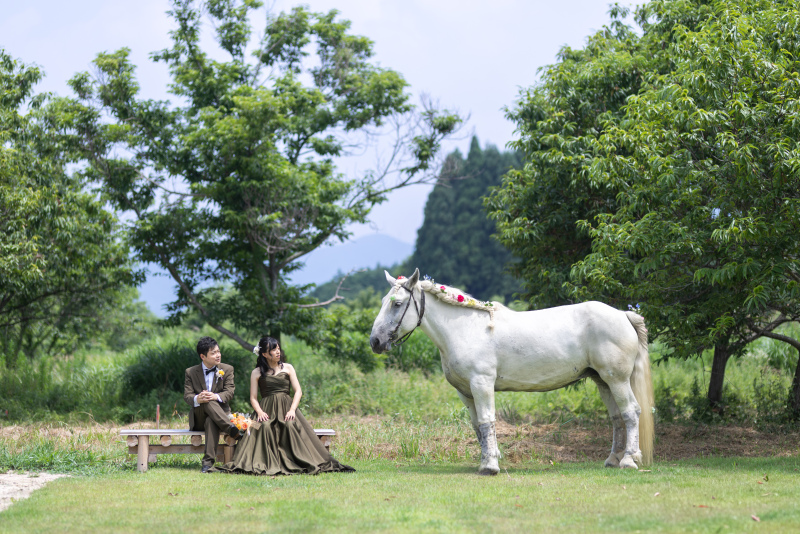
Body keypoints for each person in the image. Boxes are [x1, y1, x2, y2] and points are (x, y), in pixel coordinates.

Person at [215, 336, 354, 475]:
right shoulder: (256, 372)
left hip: (287, 408)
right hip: (265, 409)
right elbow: (253, 398)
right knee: (262, 426)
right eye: (273, 349)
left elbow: (298, 391)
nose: (278, 352)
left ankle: (296, 461)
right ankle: (265, 461)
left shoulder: (288, 367)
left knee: (290, 425)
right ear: (264, 354)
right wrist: (260, 412)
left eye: (278, 348)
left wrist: (292, 410)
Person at [184, 336, 240, 473]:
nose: (218, 355)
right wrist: (198, 398)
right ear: (203, 356)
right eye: (213, 353)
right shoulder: (190, 372)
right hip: (199, 417)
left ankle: (207, 464)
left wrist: (215, 396)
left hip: (219, 415)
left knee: (211, 420)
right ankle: (230, 428)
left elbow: (229, 392)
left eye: (218, 351)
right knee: (206, 401)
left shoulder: (227, 369)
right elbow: (187, 396)